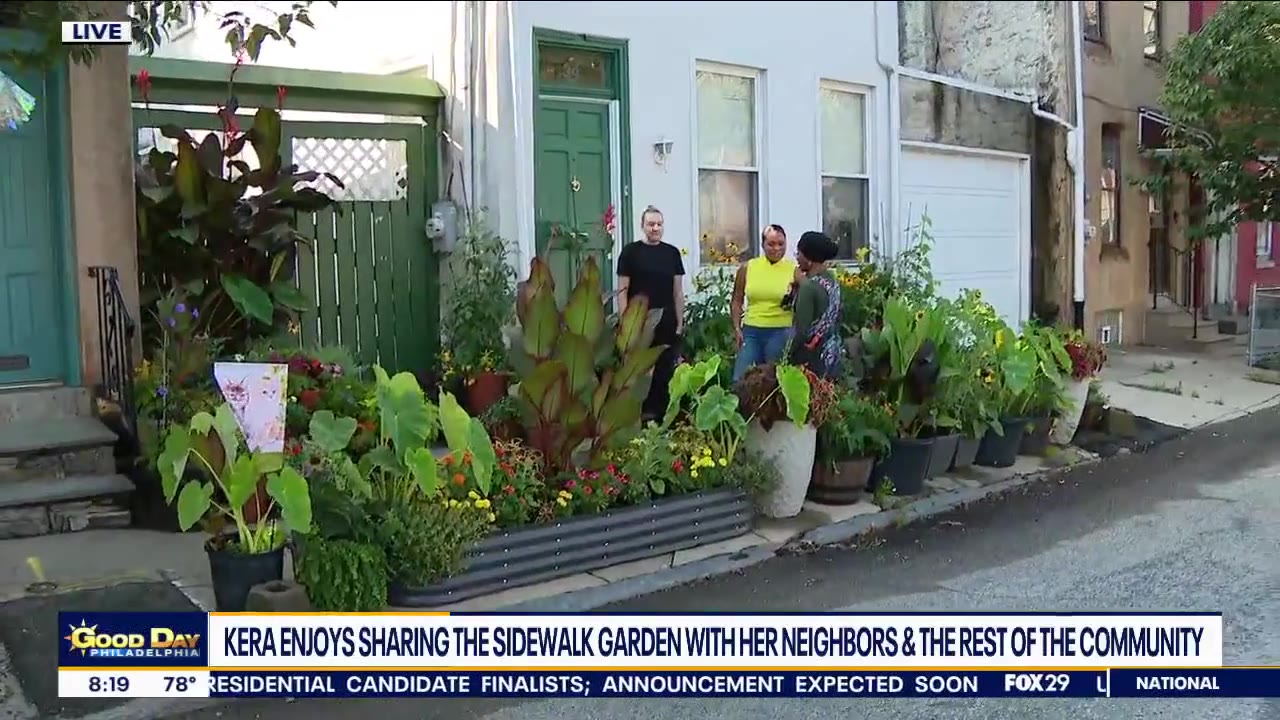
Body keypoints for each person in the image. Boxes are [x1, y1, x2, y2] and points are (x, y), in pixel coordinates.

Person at [616, 205, 685, 421]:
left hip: (666, 321)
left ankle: (661, 418)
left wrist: (680, 323)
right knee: (641, 371)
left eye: (659, 224)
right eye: (651, 224)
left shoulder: (672, 253)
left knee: (664, 371)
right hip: (640, 322)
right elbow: (622, 291)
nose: (655, 228)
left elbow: (678, 292)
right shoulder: (630, 252)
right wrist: (625, 323)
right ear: (642, 226)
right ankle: (639, 417)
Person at [730, 224, 802, 382]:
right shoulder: (748, 268)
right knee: (741, 378)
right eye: (771, 244)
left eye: (781, 244)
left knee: (772, 380)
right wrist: (737, 328)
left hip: (780, 330)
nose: (776, 248)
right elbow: (737, 299)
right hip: (751, 331)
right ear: (762, 245)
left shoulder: (793, 269)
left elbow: (808, 294)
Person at [788, 231, 844, 379]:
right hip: (832, 353)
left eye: (799, 253)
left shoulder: (808, 287)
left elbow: (801, 331)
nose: (797, 258)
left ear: (809, 258)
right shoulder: (832, 281)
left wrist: (787, 354)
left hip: (810, 360)